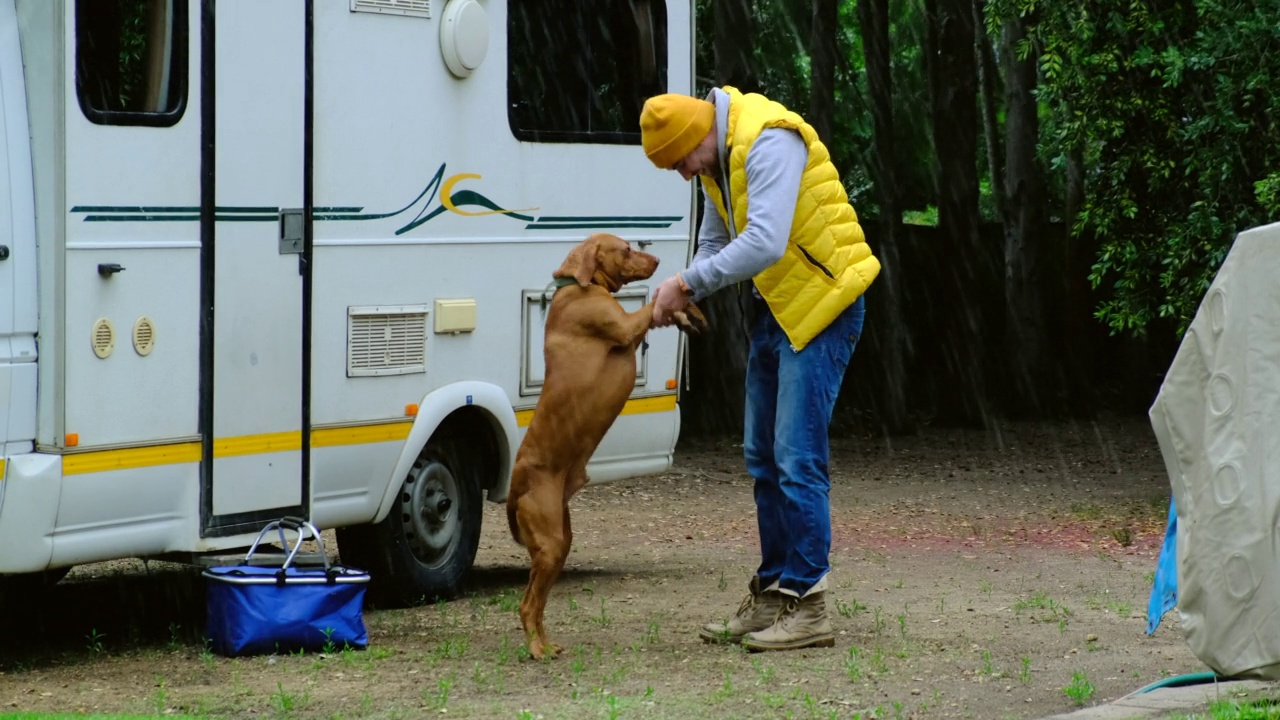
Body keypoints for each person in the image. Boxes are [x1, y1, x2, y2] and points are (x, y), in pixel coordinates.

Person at [639, 86, 880, 652]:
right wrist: (683, 289)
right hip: (775, 308)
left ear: (697, 136)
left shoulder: (768, 139)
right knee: (762, 455)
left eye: (678, 161)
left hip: (825, 302)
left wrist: (688, 284)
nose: (680, 174)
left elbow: (765, 242)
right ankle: (773, 591)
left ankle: (810, 603)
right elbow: (716, 239)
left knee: (797, 456)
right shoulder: (716, 161)